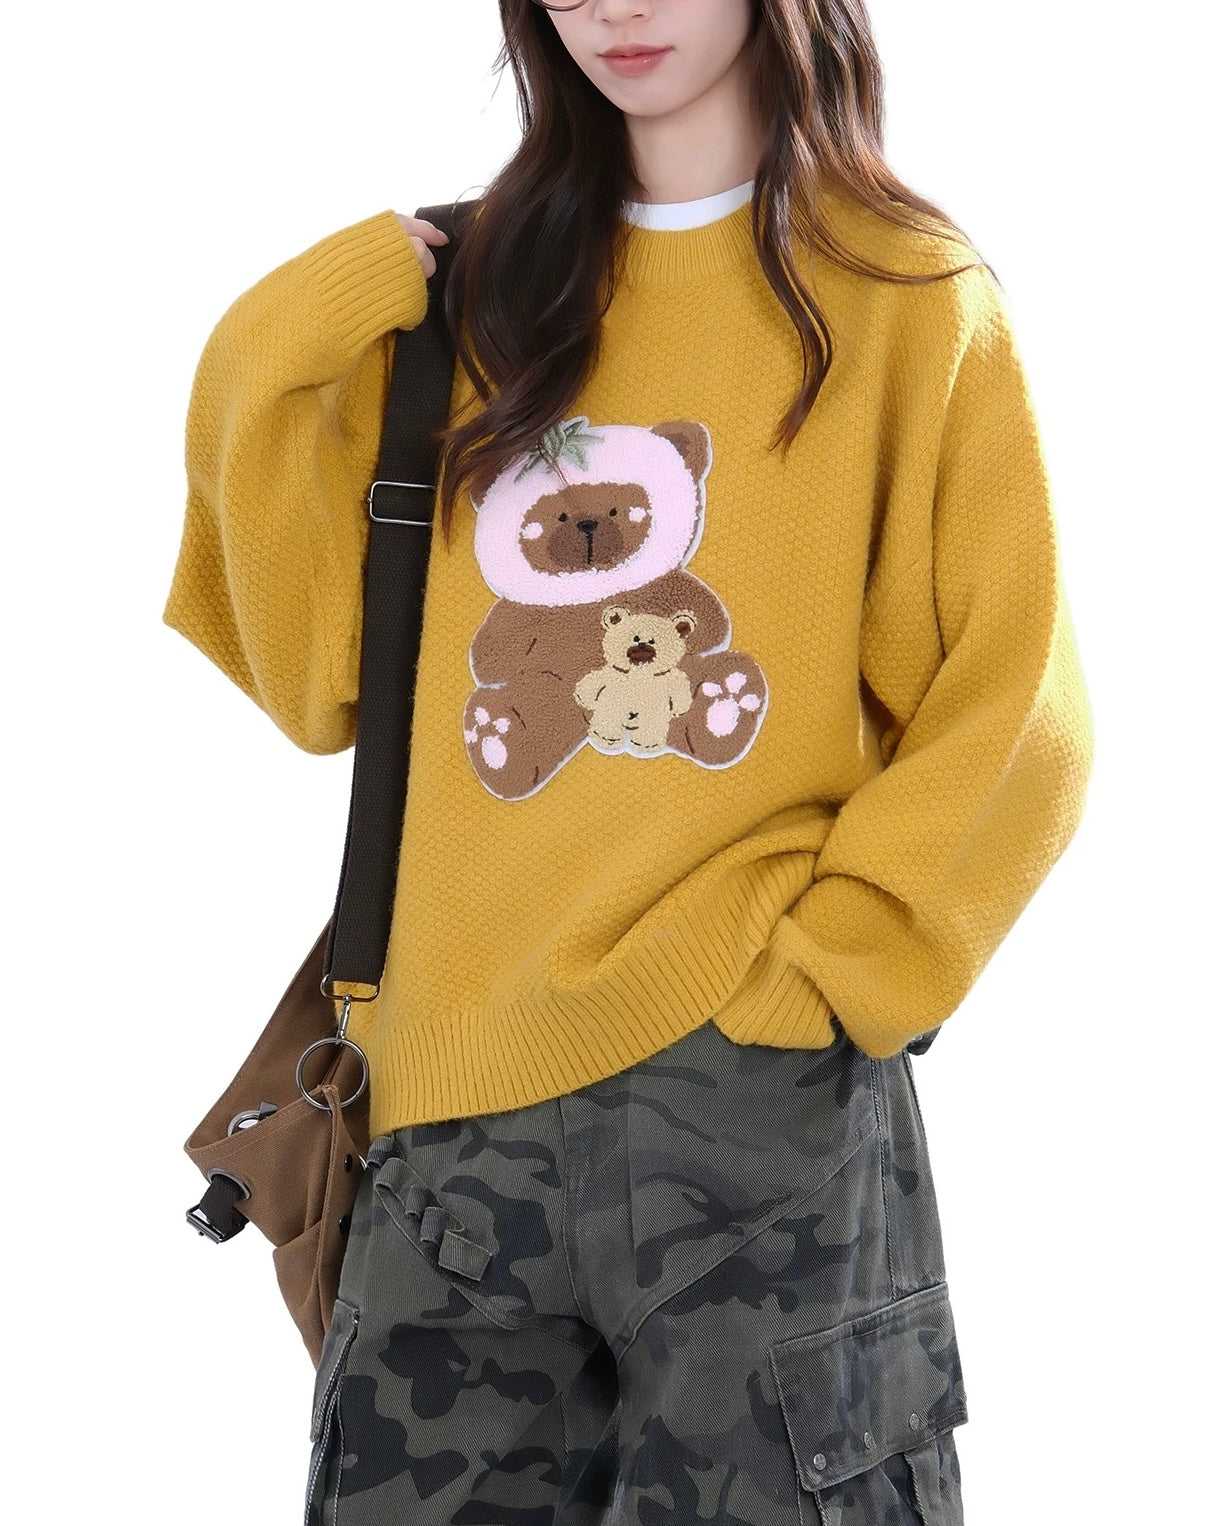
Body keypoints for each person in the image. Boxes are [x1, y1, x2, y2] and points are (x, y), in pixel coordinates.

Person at [162, 1, 1094, 1520]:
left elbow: (1015, 704)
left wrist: (827, 978)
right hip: (449, 1128)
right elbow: (314, 680)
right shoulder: (466, 303)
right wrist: (276, 337)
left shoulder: (902, 295)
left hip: (753, 1105)